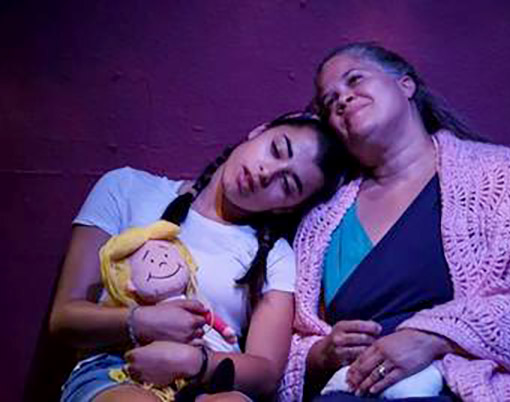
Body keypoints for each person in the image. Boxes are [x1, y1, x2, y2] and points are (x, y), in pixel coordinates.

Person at [278, 43, 510, 402]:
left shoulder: (498, 174)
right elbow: (282, 345)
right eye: (329, 101)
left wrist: (433, 337)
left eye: (355, 80)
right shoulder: (320, 219)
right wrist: (319, 355)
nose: (342, 99)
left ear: (405, 84)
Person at [49, 112, 350, 402]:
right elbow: (65, 318)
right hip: (117, 370)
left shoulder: (274, 255)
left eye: (287, 185)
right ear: (259, 131)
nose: (266, 173)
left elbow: (267, 372)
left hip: (212, 384)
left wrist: (194, 361)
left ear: (286, 207)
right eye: (276, 149)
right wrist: (140, 321)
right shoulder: (127, 189)